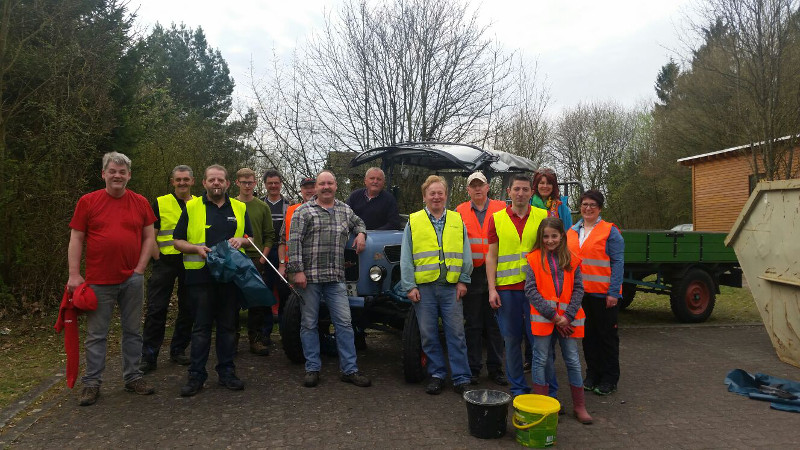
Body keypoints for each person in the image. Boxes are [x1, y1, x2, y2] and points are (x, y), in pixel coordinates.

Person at [67, 152, 156, 406]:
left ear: (129, 175)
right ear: (103, 174)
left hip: (132, 280)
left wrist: (140, 268)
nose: (117, 175)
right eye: (113, 171)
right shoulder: (88, 201)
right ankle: (92, 383)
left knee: (133, 332)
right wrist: (74, 274)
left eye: (122, 172)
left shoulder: (140, 202)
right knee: (96, 335)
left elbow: (149, 237)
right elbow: (76, 238)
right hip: (97, 281)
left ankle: (133, 378)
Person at [173, 165, 253, 397]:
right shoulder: (192, 206)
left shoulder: (239, 207)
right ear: (204, 183)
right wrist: (195, 248)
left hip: (230, 277)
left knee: (228, 327)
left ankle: (227, 372)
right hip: (200, 276)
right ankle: (196, 375)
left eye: (220, 180)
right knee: (201, 329)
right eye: (212, 180)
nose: (216, 183)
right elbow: (177, 241)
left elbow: (251, 238)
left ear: (228, 183)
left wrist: (241, 240)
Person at [286, 170, 371, 388]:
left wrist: (361, 233)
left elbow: (359, 222)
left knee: (344, 323)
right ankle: (312, 368)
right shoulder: (303, 212)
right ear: (316, 187)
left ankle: (349, 370)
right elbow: (293, 243)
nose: (326, 187)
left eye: (330, 183)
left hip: (335, 277)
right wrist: (297, 271)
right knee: (309, 323)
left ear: (335, 186)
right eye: (322, 183)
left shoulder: (344, 209)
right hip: (310, 277)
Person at [400, 175, 473, 395]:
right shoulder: (413, 222)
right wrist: (409, 286)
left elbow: (466, 252)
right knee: (429, 335)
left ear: (446, 195)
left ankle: (461, 377)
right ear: (425, 197)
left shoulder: (456, 220)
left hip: (451, 287)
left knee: (457, 334)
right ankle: (437, 374)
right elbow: (406, 257)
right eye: (432, 193)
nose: (436, 197)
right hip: (425, 289)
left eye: (440, 192)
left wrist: (463, 280)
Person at [486, 174, 553, 397]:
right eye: (517, 189)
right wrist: (492, 289)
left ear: (531, 193)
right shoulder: (496, 218)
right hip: (507, 290)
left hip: (538, 290)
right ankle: (518, 389)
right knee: (512, 341)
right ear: (509, 192)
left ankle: (545, 391)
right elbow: (491, 256)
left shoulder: (543, 216)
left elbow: (553, 252)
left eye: (525, 190)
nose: (521, 193)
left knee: (540, 343)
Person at [524, 217, 593, 424]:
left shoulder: (572, 259)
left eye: (554, 236)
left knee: (572, 360)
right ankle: (542, 406)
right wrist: (553, 316)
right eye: (545, 236)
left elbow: (579, 288)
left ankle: (579, 406)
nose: (550, 240)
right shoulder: (533, 258)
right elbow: (530, 289)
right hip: (545, 319)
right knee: (540, 359)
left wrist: (567, 316)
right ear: (540, 237)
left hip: (568, 321)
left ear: (562, 236)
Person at [566, 190, 624, 396]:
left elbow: (618, 263)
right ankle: (592, 375)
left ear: (599, 208)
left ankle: (609, 378)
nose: (588, 208)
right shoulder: (572, 232)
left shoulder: (610, 231)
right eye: (584, 204)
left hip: (603, 295)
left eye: (592, 205)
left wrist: (613, 292)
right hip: (581, 296)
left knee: (606, 337)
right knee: (588, 337)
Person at [140, 165, 197, 373]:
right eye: (178, 179)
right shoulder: (160, 202)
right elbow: (151, 234)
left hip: (190, 262)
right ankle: (149, 356)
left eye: (186, 179)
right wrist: (157, 258)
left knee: (188, 308)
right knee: (156, 309)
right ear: (173, 182)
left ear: (192, 181)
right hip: (165, 262)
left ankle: (178, 350)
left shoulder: (199, 203)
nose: (182, 183)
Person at [454, 171, 507, 386]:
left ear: (487, 187)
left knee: (496, 324)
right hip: (473, 274)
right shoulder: (459, 212)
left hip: (497, 272)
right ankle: (473, 368)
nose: (477, 189)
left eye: (481, 185)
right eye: (473, 185)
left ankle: (496, 368)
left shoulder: (502, 208)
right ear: (468, 190)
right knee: (473, 324)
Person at [524, 167, 571, 373]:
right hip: (536, 264)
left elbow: (568, 235)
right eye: (541, 182)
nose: (544, 186)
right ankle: (532, 358)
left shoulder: (561, 208)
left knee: (554, 312)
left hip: (557, 265)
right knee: (534, 316)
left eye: (548, 183)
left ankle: (549, 359)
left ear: (554, 186)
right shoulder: (528, 205)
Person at [235, 168, 274, 355]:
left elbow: (269, 235)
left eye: (250, 182)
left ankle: (256, 339)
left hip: (256, 258)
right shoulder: (230, 205)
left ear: (255, 183)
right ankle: (230, 339)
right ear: (237, 183)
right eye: (244, 182)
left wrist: (263, 257)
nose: (247, 185)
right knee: (232, 301)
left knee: (256, 302)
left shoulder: (262, 206)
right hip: (234, 258)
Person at [261, 169, 291, 333]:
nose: (273, 186)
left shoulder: (290, 204)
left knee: (284, 291)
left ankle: (284, 331)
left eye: (276, 183)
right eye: (270, 183)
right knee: (266, 290)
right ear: (265, 184)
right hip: (264, 251)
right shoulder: (260, 203)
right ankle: (265, 332)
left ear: (281, 184)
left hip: (284, 252)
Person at [277, 176, 316, 278]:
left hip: (317, 267)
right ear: (301, 190)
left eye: (312, 187)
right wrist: (281, 265)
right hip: (293, 267)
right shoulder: (291, 210)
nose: (309, 191)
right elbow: (282, 241)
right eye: (306, 188)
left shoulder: (326, 208)